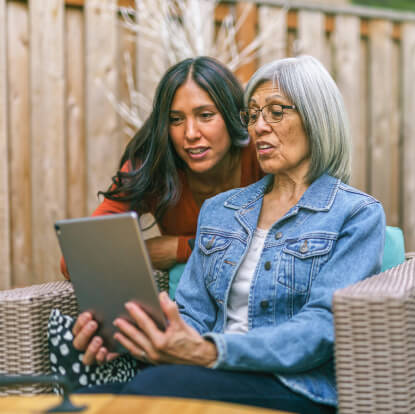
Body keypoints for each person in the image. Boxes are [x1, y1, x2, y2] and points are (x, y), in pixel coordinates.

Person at [70, 55, 385, 414]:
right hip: (212, 373)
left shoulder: (356, 215)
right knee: (87, 399)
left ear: (316, 118)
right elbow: (192, 312)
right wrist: (139, 337)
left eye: (275, 112)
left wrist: (210, 350)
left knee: (150, 390)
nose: (259, 127)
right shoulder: (221, 210)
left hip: (297, 387)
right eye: (252, 115)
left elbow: (320, 328)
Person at [60, 56, 263, 280]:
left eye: (205, 116)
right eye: (176, 119)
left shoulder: (261, 154)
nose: (191, 133)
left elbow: (293, 245)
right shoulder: (154, 166)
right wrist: (171, 250)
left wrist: (178, 248)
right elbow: (74, 261)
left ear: (232, 114)